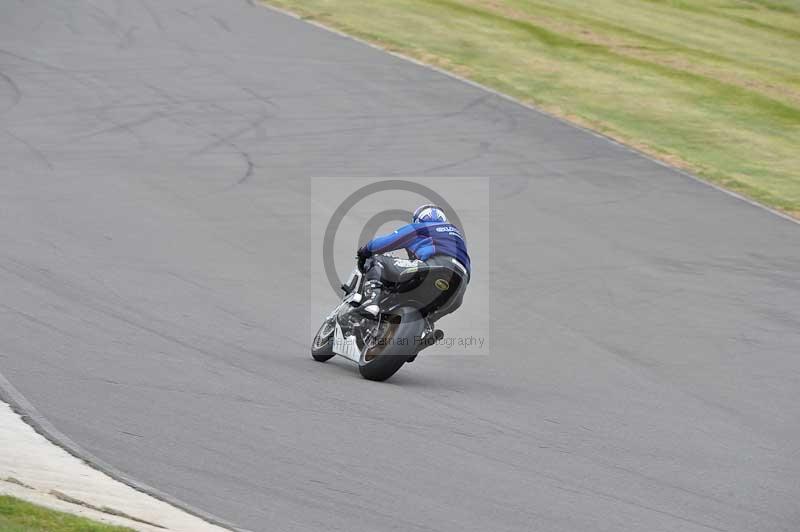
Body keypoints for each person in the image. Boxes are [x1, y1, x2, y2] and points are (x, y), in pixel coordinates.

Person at [355, 204, 470, 319]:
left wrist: (364, 252)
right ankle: (425, 331)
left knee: (377, 260)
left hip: (435, 267)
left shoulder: (421, 228)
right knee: (428, 318)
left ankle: (372, 301)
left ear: (418, 220)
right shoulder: (456, 235)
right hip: (459, 287)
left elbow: (385, 243)